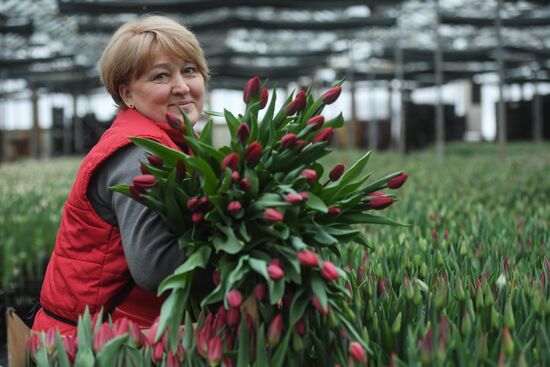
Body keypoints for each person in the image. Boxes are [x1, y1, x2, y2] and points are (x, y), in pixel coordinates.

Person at [32, 15, 211, 334]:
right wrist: (250, 260)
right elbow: (155, 268)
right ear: (127, 94)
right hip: (89, 343)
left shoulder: (170, 142)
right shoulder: (140, 153)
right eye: (161, 76)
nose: (182, 87)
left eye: (189, 70)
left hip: (119, 330)